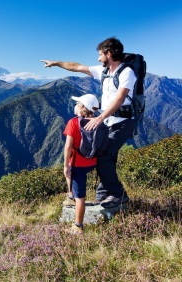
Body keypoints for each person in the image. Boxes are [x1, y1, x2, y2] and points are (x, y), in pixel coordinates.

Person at [41, 37, 136, 208]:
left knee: (104, 156)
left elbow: (121, 97)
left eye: (100, 55)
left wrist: (99, 117)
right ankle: (103, 194)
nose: (99, 59)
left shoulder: (126, 73)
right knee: (106, 155)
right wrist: (56, 63)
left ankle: (118, 195)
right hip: (108, 122)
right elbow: (77, 67)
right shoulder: (104, 71)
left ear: (109, 53)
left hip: (123, 122)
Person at [63, 94, 99, 234]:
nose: (76, 104)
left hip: (78, 163)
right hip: (93, 161)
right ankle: (71, 195)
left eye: (78, 103)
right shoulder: (98, 121)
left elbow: (67, 147)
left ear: (82, 107)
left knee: (81, 197)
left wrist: (66, 165)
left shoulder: (73, 122)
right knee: (71, 176)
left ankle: (78, 226)